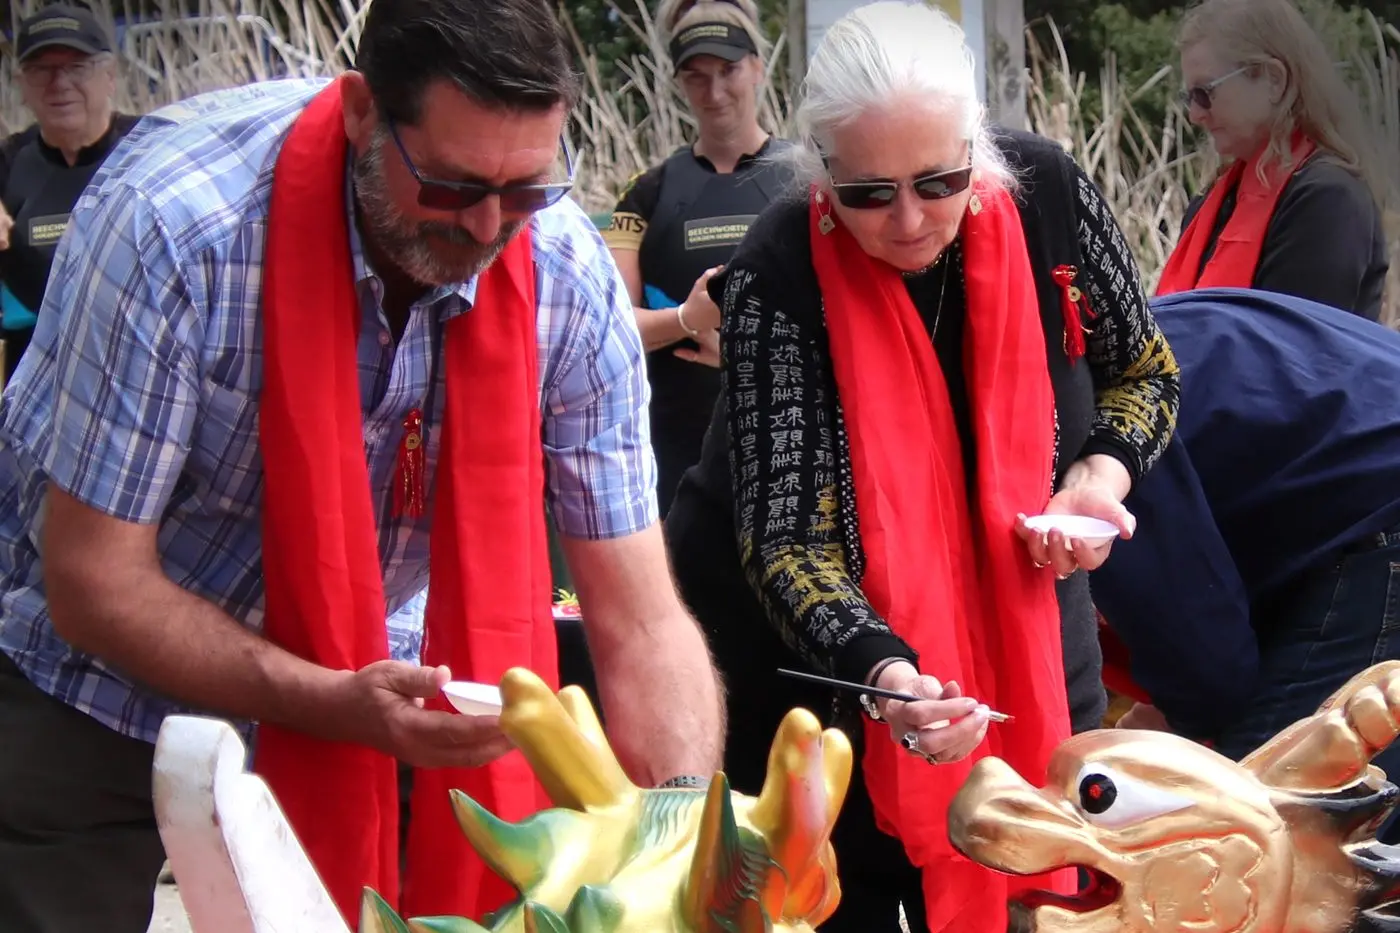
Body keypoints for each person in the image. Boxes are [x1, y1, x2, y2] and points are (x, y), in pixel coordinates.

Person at [0, 0, 724, 930]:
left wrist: (688, 833)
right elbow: (93, 583)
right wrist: (330, 702)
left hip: (376, 676)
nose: (490, 227)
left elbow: (638, 619)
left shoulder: (562, 274)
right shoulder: (176, 228)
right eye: (455, 185)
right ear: (358, 113)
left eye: (529, 188)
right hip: (93, 683)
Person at [662, 2, 1181, 931]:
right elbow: (787, 541)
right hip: (828, 671)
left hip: (1031, 620)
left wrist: (1102, 470)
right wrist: (890, 676)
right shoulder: (778, 269)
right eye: (868, 192)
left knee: (1048, 871)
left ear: (978, 146)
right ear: (820, 169)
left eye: (938, 180)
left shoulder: (1051, 197)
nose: (908, 220)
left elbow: (1144, 370)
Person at [1093, 287, 1400, 778]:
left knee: (1259, 817)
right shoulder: (1110, 337)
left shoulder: (1077, 417)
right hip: (1360, 480)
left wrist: (1180, 719)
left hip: (1380, 509)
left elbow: (1206, 665)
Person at [601, 0, 793, 517]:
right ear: (678, 82)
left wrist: (744, 356)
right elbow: (611, 325)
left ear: (757, 66)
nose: (714, 92)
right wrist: (687, 319)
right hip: (676, 460)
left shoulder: (807, 182)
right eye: (696, 76)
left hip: (789, 448)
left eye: (728, 70)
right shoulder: (646, 193)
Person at [1156, 0, 1388, 320]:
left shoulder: (1328, 199)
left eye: (1205, 93)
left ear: (1274, 80)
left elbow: (1291, 353)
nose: (1195, 115)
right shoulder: (1212, 202)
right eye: (1189, 97)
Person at [0, 4, 138, 385]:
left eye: (77, 67)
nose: (59, 82)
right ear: (22, 86)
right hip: (34, 376)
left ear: (110, 76)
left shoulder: (152, 150)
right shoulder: (10, 162)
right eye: (41, 69)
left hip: (135, 362)